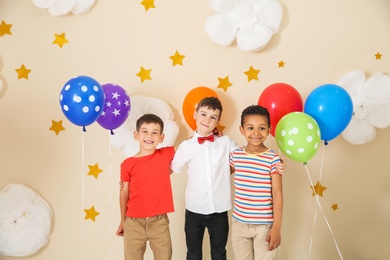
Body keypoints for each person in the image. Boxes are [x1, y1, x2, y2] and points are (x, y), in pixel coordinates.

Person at [171, 96, 235, 260]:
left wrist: (223, 174)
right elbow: (171, 168)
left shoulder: (226, 142)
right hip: (194, 210)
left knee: (219, 254)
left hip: (219, 210)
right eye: (203, 114)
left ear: (218, 121)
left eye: (213, 117)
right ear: (195, 114)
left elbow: (243, 159)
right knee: (193, 255)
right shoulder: (186, 147)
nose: (207, 120)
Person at [116, 113, 175, 260]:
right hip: (133, 223)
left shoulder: (165, 154)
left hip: (159, 223)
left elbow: (189, 144)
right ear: (136, 135)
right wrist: (123, 221)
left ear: (161, 137)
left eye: (155, 132)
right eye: (145, 131)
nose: (149, 136)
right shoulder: (127, 164)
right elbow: (124, 193)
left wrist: (210, 132)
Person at [229, 105, 283, 260]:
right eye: (250, 128)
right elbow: (220, 177)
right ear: (242, 130)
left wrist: (277, 228)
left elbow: (278, 194)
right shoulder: (235, 154)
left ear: (269, 130)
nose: (256, 133)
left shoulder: (273, 159)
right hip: (239, 224)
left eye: (262, 128)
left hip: (264, 227)